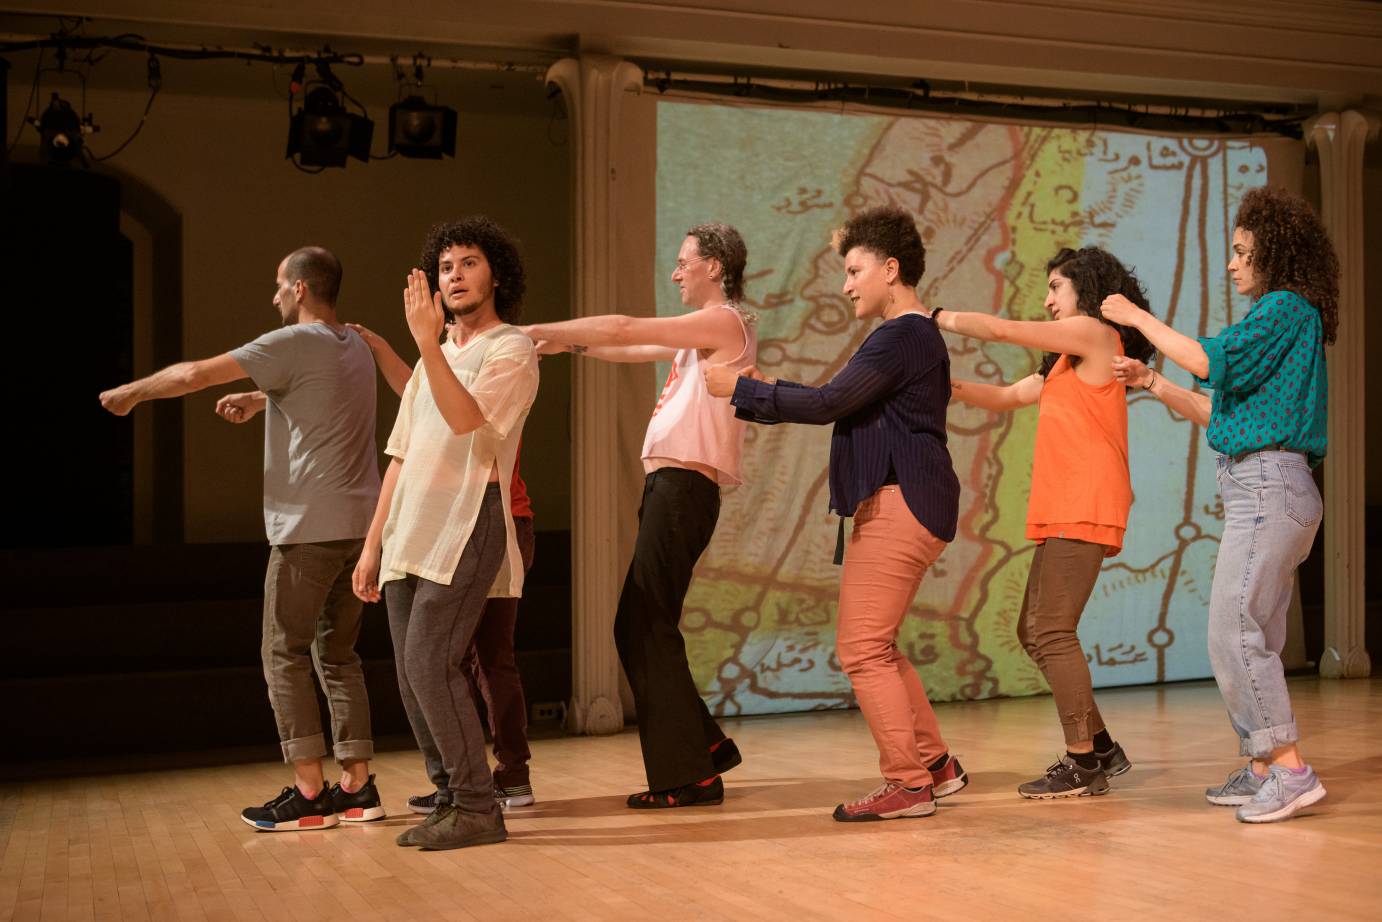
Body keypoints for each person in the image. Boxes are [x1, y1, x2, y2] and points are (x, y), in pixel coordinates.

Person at [99, 246, 385, 831]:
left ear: (301, 288)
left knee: (282, 653)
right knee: (338, 655)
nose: (273, 295)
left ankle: (309, 794)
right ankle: (358, 788)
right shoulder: (354, 344)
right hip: (361, 528)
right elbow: (328, 400)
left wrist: (131, 392)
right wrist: (265, 400)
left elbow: (194, 374)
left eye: (279, 284)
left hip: (308, 530)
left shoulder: (287, 342)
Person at [706, 205, 968, 821]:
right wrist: (768, 390)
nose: (846, 284)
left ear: (891, 268)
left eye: (854, 270)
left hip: (901, 501)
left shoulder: (903, 333)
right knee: (879, 644)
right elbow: (839, 401)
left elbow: (830, 403)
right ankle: (936, 766)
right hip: (908, 500)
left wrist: (742, 390)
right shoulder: (908, 337)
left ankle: (908, 785)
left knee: (861, 649)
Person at [1101, 185, 1336, 824]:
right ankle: (1263, 765)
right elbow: (1217, 412)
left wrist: (1138, 319)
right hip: (1267, 487)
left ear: (1273, 251)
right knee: (1253, 626)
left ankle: (1288, 769)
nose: (1231, 264)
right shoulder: (1285, 320)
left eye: (1240, 252)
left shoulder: (1284, 308)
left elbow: (1209, 358)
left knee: (1233, 630)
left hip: (1270, 488)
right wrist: (1151, 381)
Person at [520, 223, 755, 808]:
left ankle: (690, 775)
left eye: (684, 263)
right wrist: (565, 345)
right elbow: (624, 346)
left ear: (716, 267)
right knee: (638, 623)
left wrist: (537, 329)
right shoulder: (696, 336)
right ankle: (704, 746)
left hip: (683, 489)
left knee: (644, 623)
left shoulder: (725, 322)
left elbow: (626, 326)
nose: (675, 273)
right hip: (671, 488)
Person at [936, 246, 1153, 799]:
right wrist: (941, 387)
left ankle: (1082, 761)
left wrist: (933, 318)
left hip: (1086, 503)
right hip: (1065, 506)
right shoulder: (1064, 362)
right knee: (1031, 630)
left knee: (1053, 631)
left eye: (1056, 287)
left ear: (1085, 287)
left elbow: (1004, 332)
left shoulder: (1098, 336)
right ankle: (1101, 746)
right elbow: (1009, 396)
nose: (1048, 299)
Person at [352, 217, 538, 849]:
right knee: (411, 671)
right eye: (445, 267)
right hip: (410, 528)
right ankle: (450, 795)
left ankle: (479, 805)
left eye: (468, 263)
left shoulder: (510, 347)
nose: (454, 276)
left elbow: (467, 422)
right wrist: (373, 543)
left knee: (433, 661)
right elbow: (400, 457)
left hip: (470, 518)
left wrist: (426, 345)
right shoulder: (445, 352)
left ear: (496, 275)